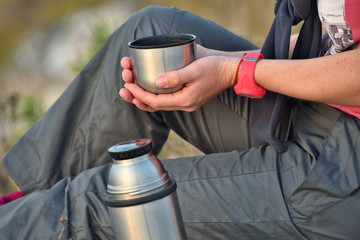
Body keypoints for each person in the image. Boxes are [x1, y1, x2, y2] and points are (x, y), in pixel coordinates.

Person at [1, 1, 359, 239]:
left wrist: (238, 71)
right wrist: (217, 60)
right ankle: (32, 208)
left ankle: (39, 219)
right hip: (320, 110)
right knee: (152, 33)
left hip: (342, 171)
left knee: (97, 200)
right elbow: (337, 44)